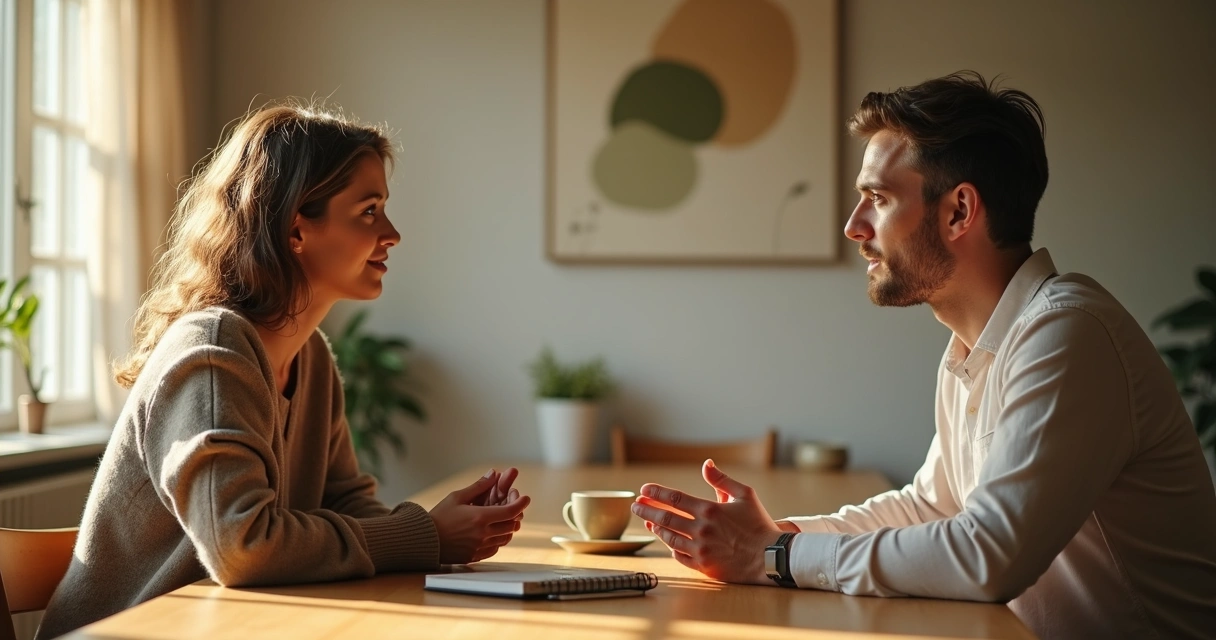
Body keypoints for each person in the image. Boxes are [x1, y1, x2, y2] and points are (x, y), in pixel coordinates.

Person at [630, 71, 1216, 639]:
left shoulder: (1067, 333)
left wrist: (776, 555)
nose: (853, 227)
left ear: (959, 211)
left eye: (877, 199)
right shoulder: (977, 342)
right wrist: (776, 535)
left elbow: (988, 555)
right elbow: (933, 507)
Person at [37, 104, 531, 639]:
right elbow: (241, 547)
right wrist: (425, 535)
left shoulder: (311, 357)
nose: (392, 233)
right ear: (296, 229)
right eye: (368, 211)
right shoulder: (212, 351)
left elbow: (345, 502)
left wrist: (439, 529)